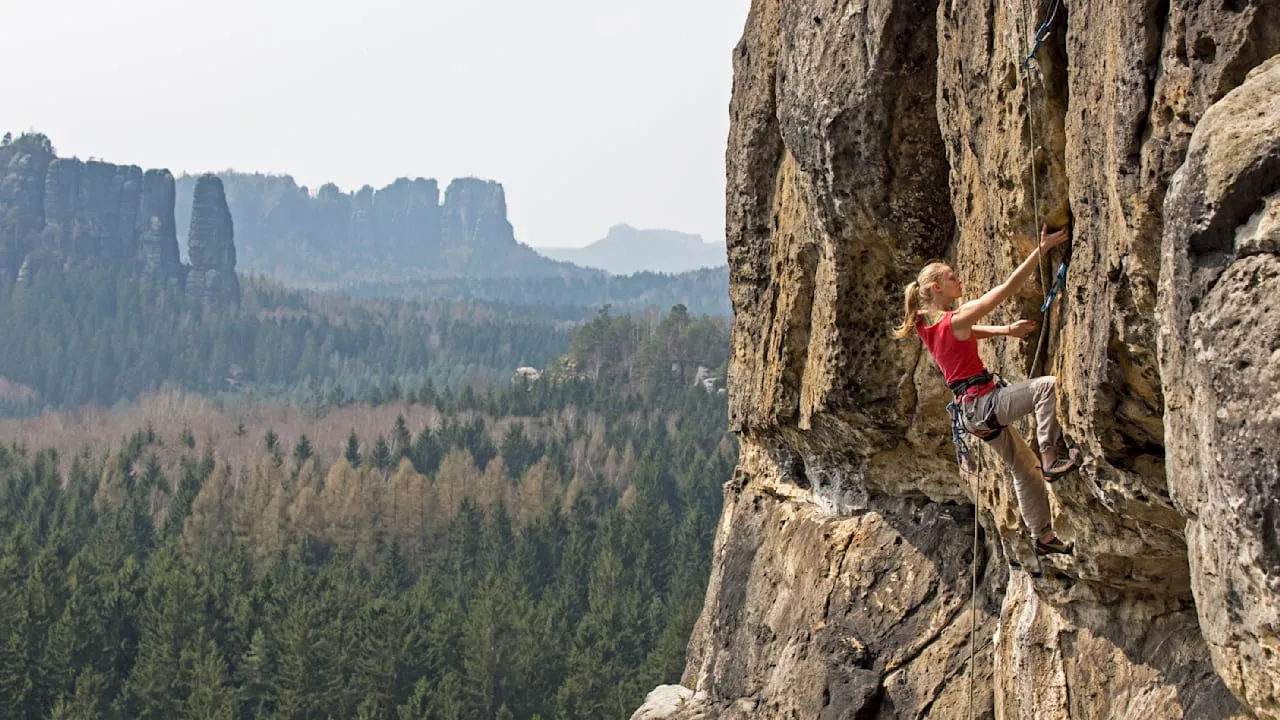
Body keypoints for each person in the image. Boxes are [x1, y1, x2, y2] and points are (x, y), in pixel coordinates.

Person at [892, 224, 1080, 555]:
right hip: (984, 403)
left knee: (1024, 468)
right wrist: (1042, 248)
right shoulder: (956, 317)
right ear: (937, 287)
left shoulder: (925, 324)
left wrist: (1006, 330)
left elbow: (964, 334)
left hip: (970, 415)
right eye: (951, 277)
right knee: (1046, 388)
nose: (958, 279)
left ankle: (1043, 537)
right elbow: (1006, 288)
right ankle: (1051, 457)